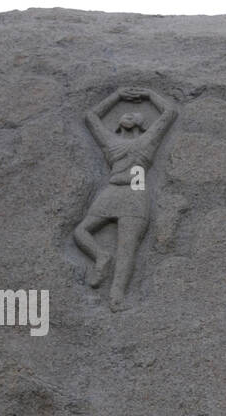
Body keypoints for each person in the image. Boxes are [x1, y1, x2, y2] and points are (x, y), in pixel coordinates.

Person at [74, 87, 177, 310]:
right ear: (119, 122)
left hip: (135, 192)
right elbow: (91, 117)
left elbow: (169, 112)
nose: (129, 114)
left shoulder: (147, 141)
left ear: (141, 124)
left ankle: (116, 297)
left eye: (134, 114)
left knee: (127, 249)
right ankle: (101, 256)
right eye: (125, 113)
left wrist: (150, 95)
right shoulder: (110, 142)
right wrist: (117, 96)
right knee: (80, 231)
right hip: (113, 190)